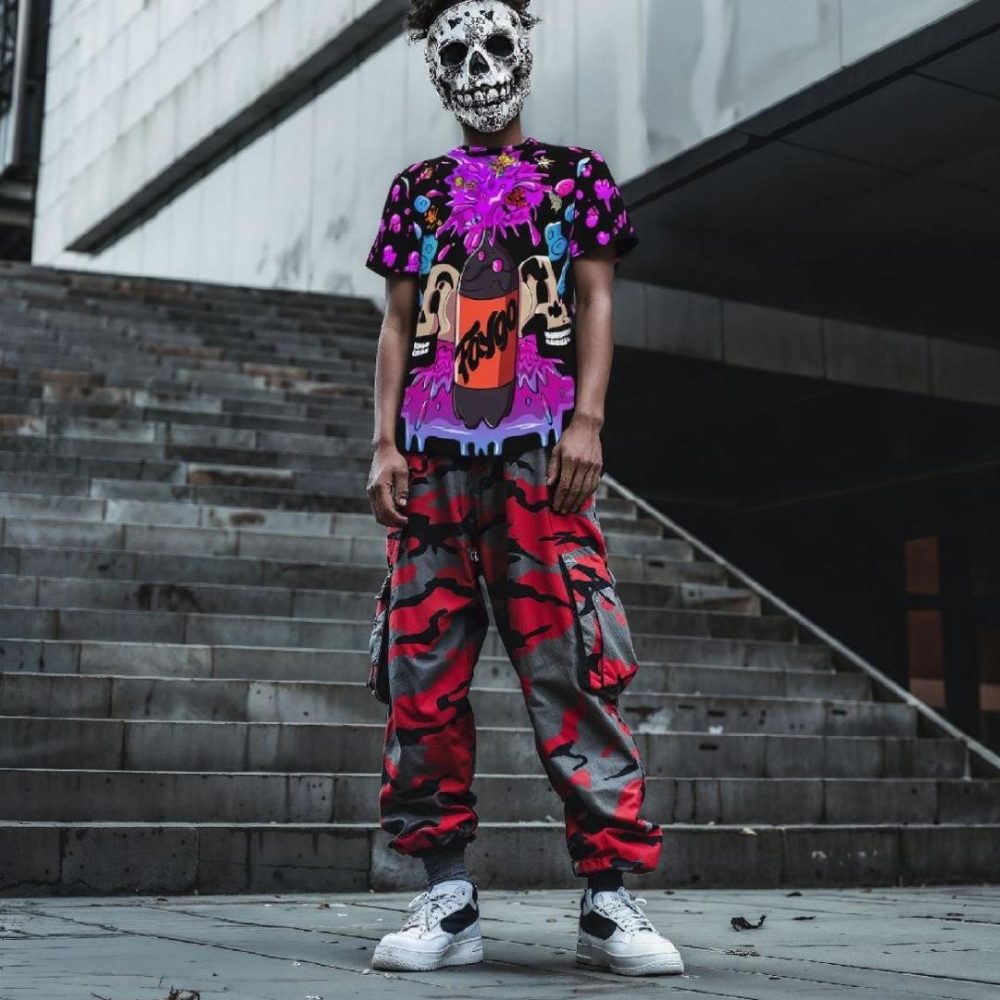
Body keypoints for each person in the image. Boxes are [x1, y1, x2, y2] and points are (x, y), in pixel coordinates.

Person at [362, 0, 684, 978]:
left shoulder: (573, 175)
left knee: (575, 668)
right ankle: (447, 897)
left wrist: (587, 420)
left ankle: (608, 901)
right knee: (421, 679)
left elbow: (595, 296)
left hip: (538, 457)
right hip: (432, 467)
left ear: (524, 50)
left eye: (494, 41)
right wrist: (382, 443)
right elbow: (396, 322)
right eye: (454, 48)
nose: (477, 64)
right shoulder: (416, 190)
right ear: (433, 67)